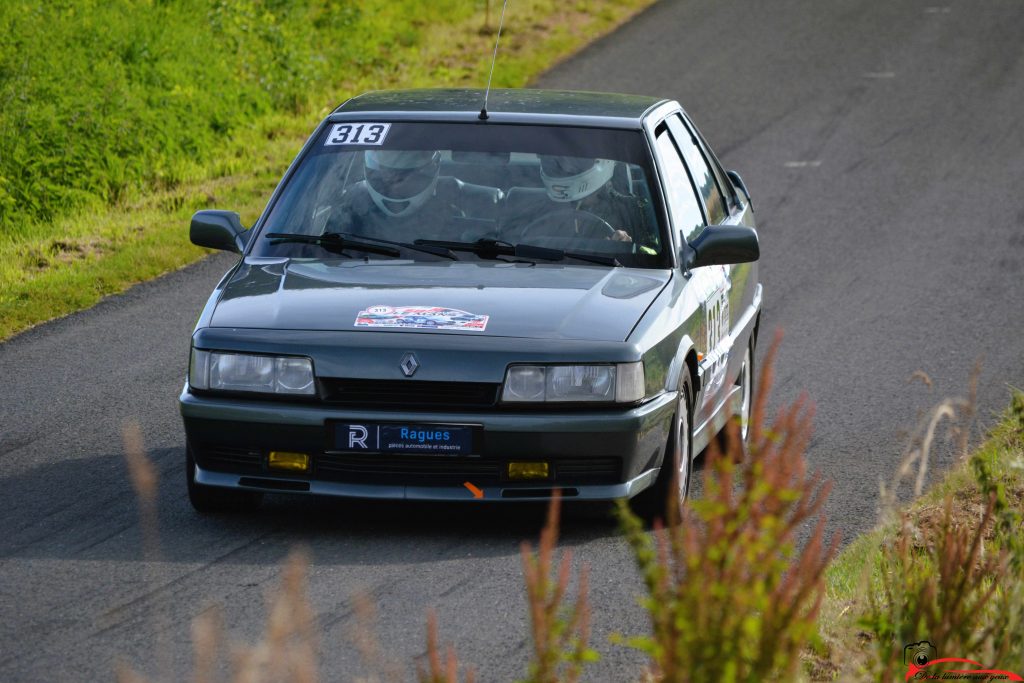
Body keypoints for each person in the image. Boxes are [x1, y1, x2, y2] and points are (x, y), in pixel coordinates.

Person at [537, 156, 639, 243]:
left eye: (573, 159)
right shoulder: (538, 208)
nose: (565, 166)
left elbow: (648, 255)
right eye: (558, 159)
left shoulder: (632, 211)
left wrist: (625, 244)